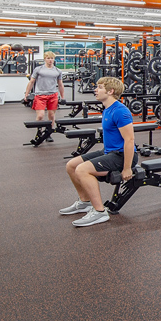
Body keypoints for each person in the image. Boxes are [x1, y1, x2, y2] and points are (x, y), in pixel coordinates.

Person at [61, 76, 136, 227]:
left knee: (82, 170)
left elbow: (129, 140)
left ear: (110, 91)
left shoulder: (120, 111)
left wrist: (127, 167)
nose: (96, 89)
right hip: (109, 152)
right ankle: (84, 202)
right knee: (71, 165)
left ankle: (100, 212)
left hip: (122, 156)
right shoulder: (107, 109)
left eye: (100, 87)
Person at [24, 52, 66, 136]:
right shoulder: (38, 69)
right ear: (44, 59)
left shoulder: (58, 71)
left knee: (51, 115)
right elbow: (31, 82)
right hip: (40, 95)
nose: (50, 60)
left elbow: (60, 84)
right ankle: (39, 131)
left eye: (52, 58)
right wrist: (26, 94)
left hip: (53, 95)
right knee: (40, 115)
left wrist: (62, 97)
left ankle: (48, 133)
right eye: (48, 58)